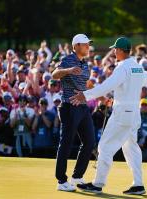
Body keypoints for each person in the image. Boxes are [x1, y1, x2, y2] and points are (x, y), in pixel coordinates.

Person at [70, 37, 147, 195]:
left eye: (115, 49)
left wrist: (85, 95)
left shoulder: (122, 68)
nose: (114, 52)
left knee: (105, 147)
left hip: (122, 113)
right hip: (134, 113)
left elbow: (107, 86)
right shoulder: (138, 67)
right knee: (131, 148)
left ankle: (98, 183)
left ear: (121, 50)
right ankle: (138, 184)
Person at [51, 34, 95, 192]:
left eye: (88, 44)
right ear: (76, 46)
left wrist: (102, 97)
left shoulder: (85, 63)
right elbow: (54, 74)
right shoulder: (68, 59)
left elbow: (87, 84)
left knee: (90, 141)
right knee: (66, 143)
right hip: (69, 107)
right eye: (84, 44)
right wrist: (69, 70)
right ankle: (61, 181)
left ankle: (77, 177)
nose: (87, 47)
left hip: (83, 107)